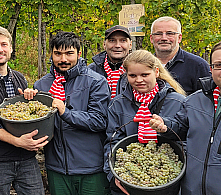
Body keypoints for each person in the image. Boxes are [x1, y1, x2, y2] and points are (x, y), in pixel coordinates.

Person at [22, 31, 111, 195]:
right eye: (58, 53)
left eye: (69, 53)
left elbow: (100, 121)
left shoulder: (96, 82)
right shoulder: (42, 84)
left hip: (90, 168)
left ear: (78, 53)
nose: (63, 59)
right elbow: (38, 123)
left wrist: (65, 112)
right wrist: (27, 103)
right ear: (51, 54)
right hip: (57, 168)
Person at [0, 26, 47, 195]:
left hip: (26, 158)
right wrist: (19, 142)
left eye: (4, 45)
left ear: (11, 49)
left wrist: (31, 99)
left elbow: (26, 115)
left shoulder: (20, 78)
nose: (0, 49)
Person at [102, 50, 185, 195]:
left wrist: (166, 127)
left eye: (145, 75)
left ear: (156, 72)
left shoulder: (178, 101)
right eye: (132, 75)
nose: (138, 80)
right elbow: (112, 141)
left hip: (167, 184)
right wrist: (114, 174)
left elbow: (186, 138)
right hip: (130, 182)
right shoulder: (118, 104)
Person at [149, 41, 221, 195]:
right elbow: (181, 127)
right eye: (219, 65)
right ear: (211, 69)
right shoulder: (195, 100)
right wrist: (165, 126)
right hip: (192, 188)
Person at [150, 16, 210, 95]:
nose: (164, 38)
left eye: (170, 33)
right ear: (151, 38)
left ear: (179, 38)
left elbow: (207, 100)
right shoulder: (145, 64)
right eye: (158, 34)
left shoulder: (198, 66)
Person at [88, 25, 132, 99]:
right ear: (104, 45)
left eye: (123, 41)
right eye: (112, 40)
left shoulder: (139, 70)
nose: (117, 45)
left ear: (130, 45)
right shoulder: (91, 71)